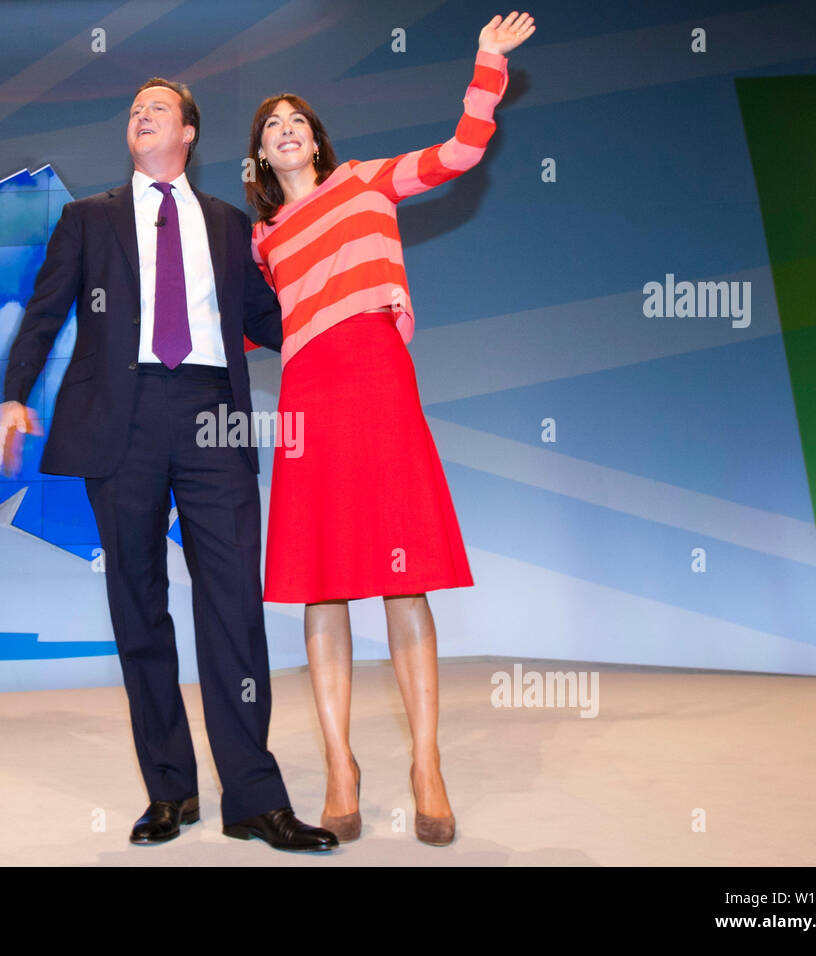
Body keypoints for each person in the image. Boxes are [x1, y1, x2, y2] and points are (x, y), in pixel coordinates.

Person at [0, 77, 337, 852]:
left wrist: (350, 326)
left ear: (188, 132)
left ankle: (253, 797)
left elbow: (270, 320)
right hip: (123, 418)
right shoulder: (88, 220)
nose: (140, 115)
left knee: (234, 609)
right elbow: (45, 313)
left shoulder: (224, 224)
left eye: (156, 107)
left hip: (213, 411)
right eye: (133, 109)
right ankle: (170, 790)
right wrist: (13, 394)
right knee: (138, 605)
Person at [245, 11, 535, 845]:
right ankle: (340, 765)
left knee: (401, 575)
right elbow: (240, 327)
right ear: (263, 156)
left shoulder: (367, 181)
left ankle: (426, 764)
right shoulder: (261, 241)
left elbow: (460, 153)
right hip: (308, 395)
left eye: (298, 121)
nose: (288, 131)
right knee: (322, 582)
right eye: (273, 127)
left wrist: (486, 64)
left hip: (375, 376)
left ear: (319, 141)